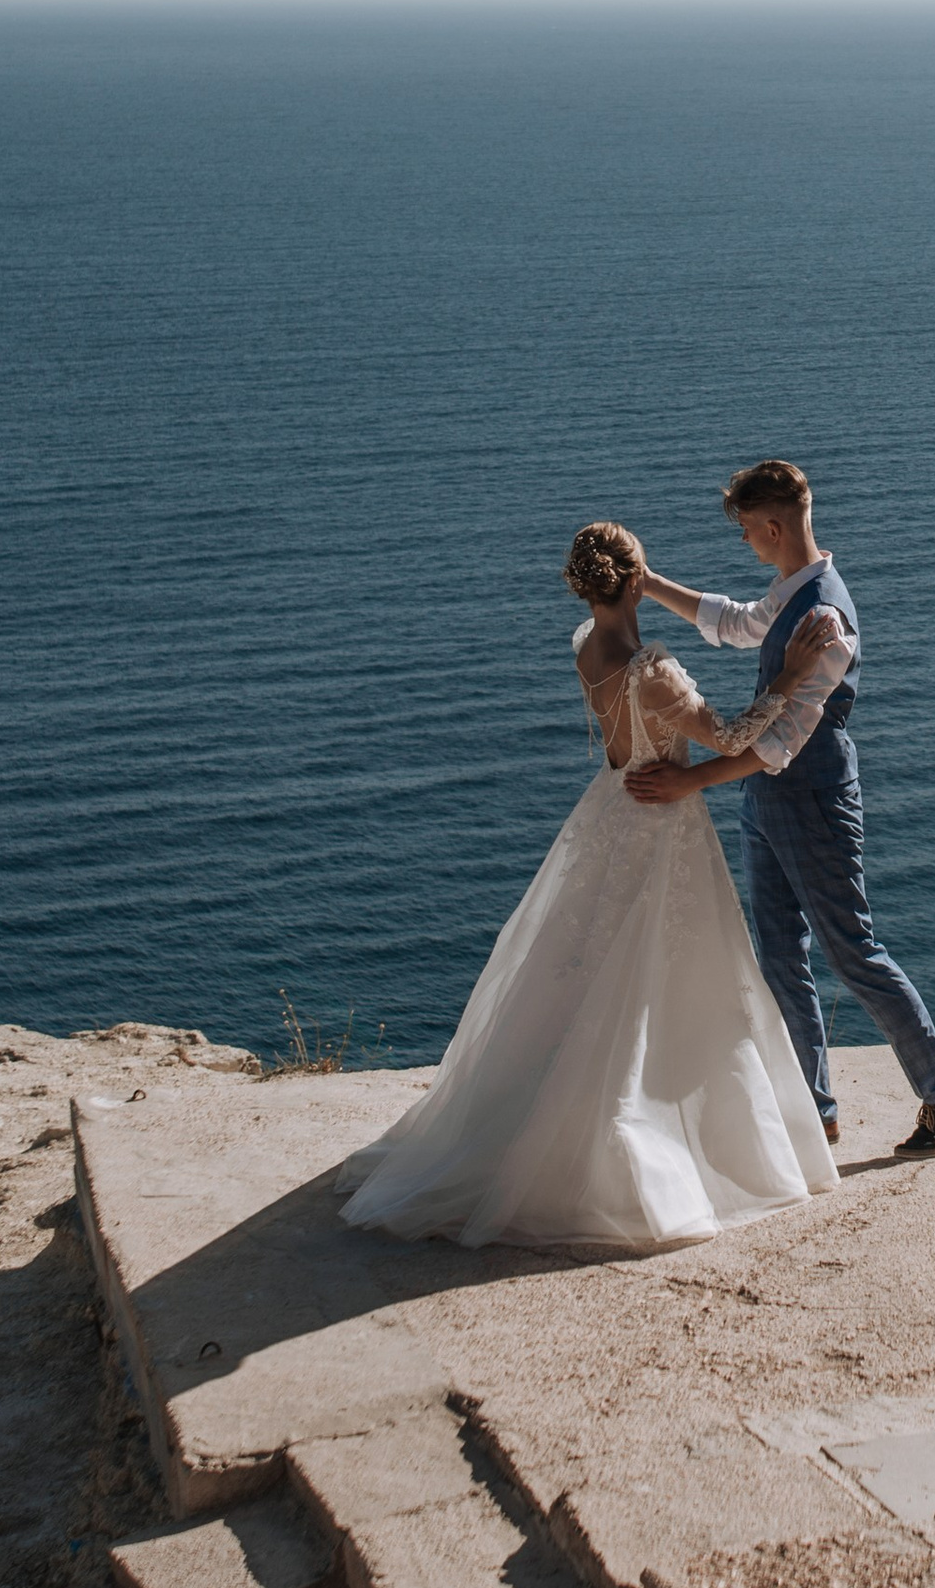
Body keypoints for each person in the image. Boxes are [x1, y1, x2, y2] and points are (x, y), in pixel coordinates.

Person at [336, 521, 845, 1251]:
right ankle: (645, 1141)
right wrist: (792, 676)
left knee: (581, 974)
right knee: (660, 985)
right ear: (636, 580)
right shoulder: (653, 670)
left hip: (610, 809)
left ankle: (548, 1124)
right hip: (663, 818)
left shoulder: (586, 645)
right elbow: (732, 739)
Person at [628, 459, 935, 1157]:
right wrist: (650, 585)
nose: (746, 544)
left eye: (749, 532)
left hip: (809, 794)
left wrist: (690, 783)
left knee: (853, 952)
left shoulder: (824, 615)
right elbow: (739, 623)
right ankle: (814, 1113)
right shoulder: (795, 590)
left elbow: (781, 743)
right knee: (782, 957)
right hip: (767, 796)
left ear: (774, 525)